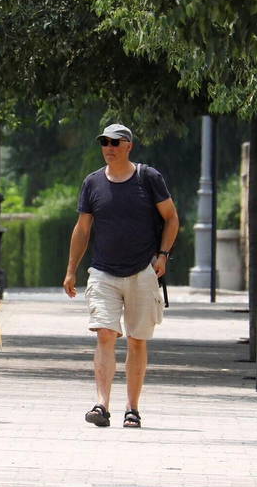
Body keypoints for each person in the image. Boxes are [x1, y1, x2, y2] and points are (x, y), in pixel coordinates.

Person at [64, 123, 179, 428]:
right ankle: (101, 405)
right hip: (103, 271)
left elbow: (171, 218)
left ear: (129, 146)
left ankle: (133, 407)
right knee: (104, 334)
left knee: (137, 340)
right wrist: (71, 270)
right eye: (104, 142)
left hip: (143, 270)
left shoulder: (148, 178)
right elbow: (82, 229)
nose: (109, 147)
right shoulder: (92, 183)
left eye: (115, 142)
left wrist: (163, 255)